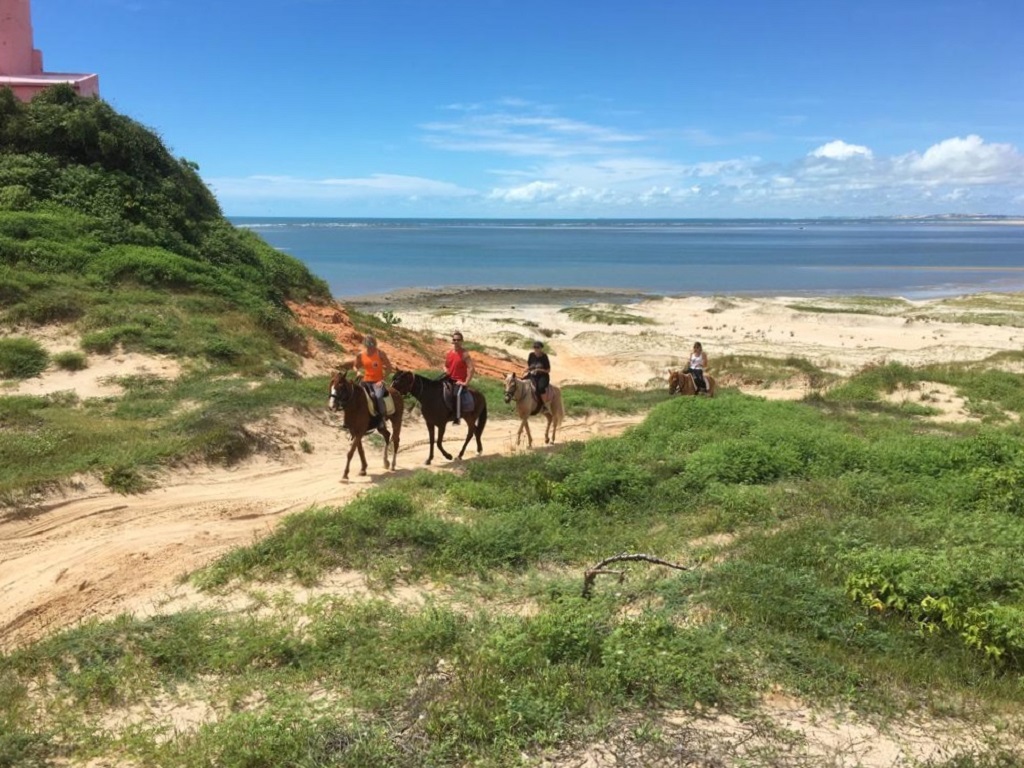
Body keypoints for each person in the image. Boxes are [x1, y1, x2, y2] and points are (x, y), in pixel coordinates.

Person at [353, 334, 393, 421]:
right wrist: (358, 372)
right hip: (365, 380)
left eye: (372, 345)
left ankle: (381, 418)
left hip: (378, 381)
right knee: (354, 395)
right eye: (368, 345)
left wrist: (382, 379)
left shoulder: (380, 353)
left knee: (378, 397)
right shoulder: (361, 355)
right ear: (365, 345)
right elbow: (355, 366)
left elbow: (389, 368)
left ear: (374, 344)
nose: (371, 348)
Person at [444, 331, 475, 424]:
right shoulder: (450, 353)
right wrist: (445, 370)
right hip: (449, 379)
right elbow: (445, 365)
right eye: (454, 340)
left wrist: (465, 383)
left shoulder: (465, 354)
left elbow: (471, 369)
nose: (456, 341)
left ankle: (456, 417)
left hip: (459, 381)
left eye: (458, 340)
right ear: (452, 341)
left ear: (462, 341)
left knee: (456, 395)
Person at [525, 340, 552, 405]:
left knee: (540, 388)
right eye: (535, 347)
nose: (536, 349)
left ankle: (544, 405)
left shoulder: (544, 356)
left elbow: (548, 370)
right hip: (533, 375)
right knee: (521, 383)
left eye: (538, 347)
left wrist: (539, 370)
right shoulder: (531, 355)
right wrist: (527, 369)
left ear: (541, 348)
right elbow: (530, 366)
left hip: (543, 376)